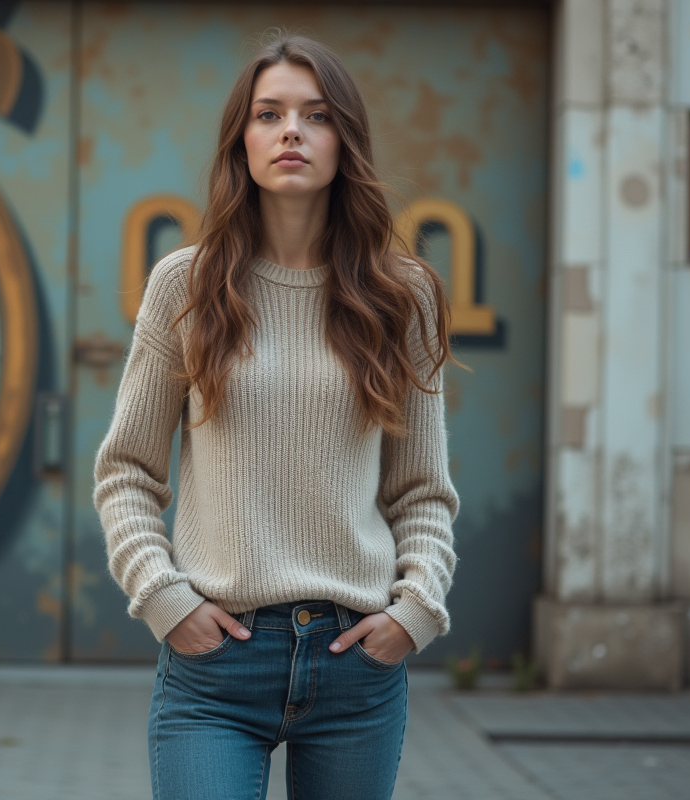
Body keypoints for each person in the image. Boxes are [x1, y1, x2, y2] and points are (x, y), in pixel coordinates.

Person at [92, 32, 461, 800]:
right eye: (269, 114)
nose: (292, 130)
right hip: (216, 665)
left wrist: (414, 612)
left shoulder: (403, 297)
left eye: (316, 115)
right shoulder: (186, 287)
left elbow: (421, 492)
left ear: (345, 141)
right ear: (243, 141)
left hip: (356, 663)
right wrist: (164, 599)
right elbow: (126, 472)